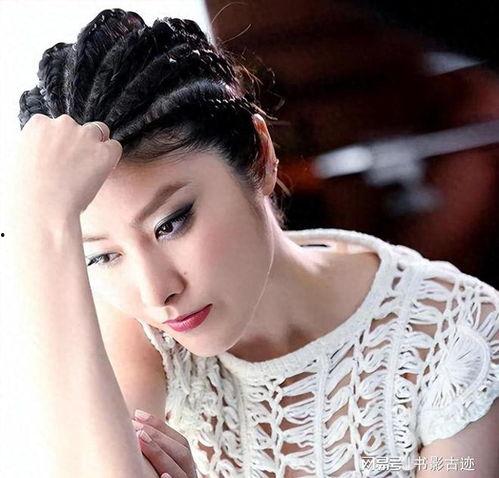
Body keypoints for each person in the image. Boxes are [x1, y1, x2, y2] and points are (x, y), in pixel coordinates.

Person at [6, 8, 499, 478]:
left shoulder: (457, 340)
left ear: (260, 155)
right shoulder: (142, 332)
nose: (156, 292)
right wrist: (38, 230)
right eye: (103, 255)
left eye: (171, 223)